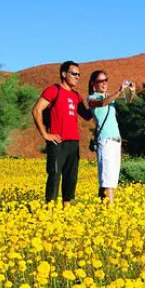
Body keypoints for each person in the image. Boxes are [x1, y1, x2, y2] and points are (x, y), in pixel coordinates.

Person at [32, 61, 91, 204]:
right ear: (64, 74)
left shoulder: (77, 96)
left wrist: (103, 99)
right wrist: (45, 134)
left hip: (73, 142)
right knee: (55, 175)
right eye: (74, 74)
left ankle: (66, 212)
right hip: (57, 141)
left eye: (79, 74)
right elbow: (36, 110)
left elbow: (88, 115)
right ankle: (50, 210)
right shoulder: (53, 90)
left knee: (71, 178)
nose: (77, 77)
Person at [87, 69, 135, 203]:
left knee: (111, 179)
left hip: (116, 140)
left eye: (106, 80)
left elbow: (128, 101)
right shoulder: (92, 98)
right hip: (105, 140)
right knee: (107, 178)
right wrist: (119, 91)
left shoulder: (109, 97)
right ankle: (110, 208)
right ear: (93, 84)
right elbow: (101, 103)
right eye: (100, 81)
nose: (104, 83)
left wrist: (131, 92)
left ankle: (102, 207)